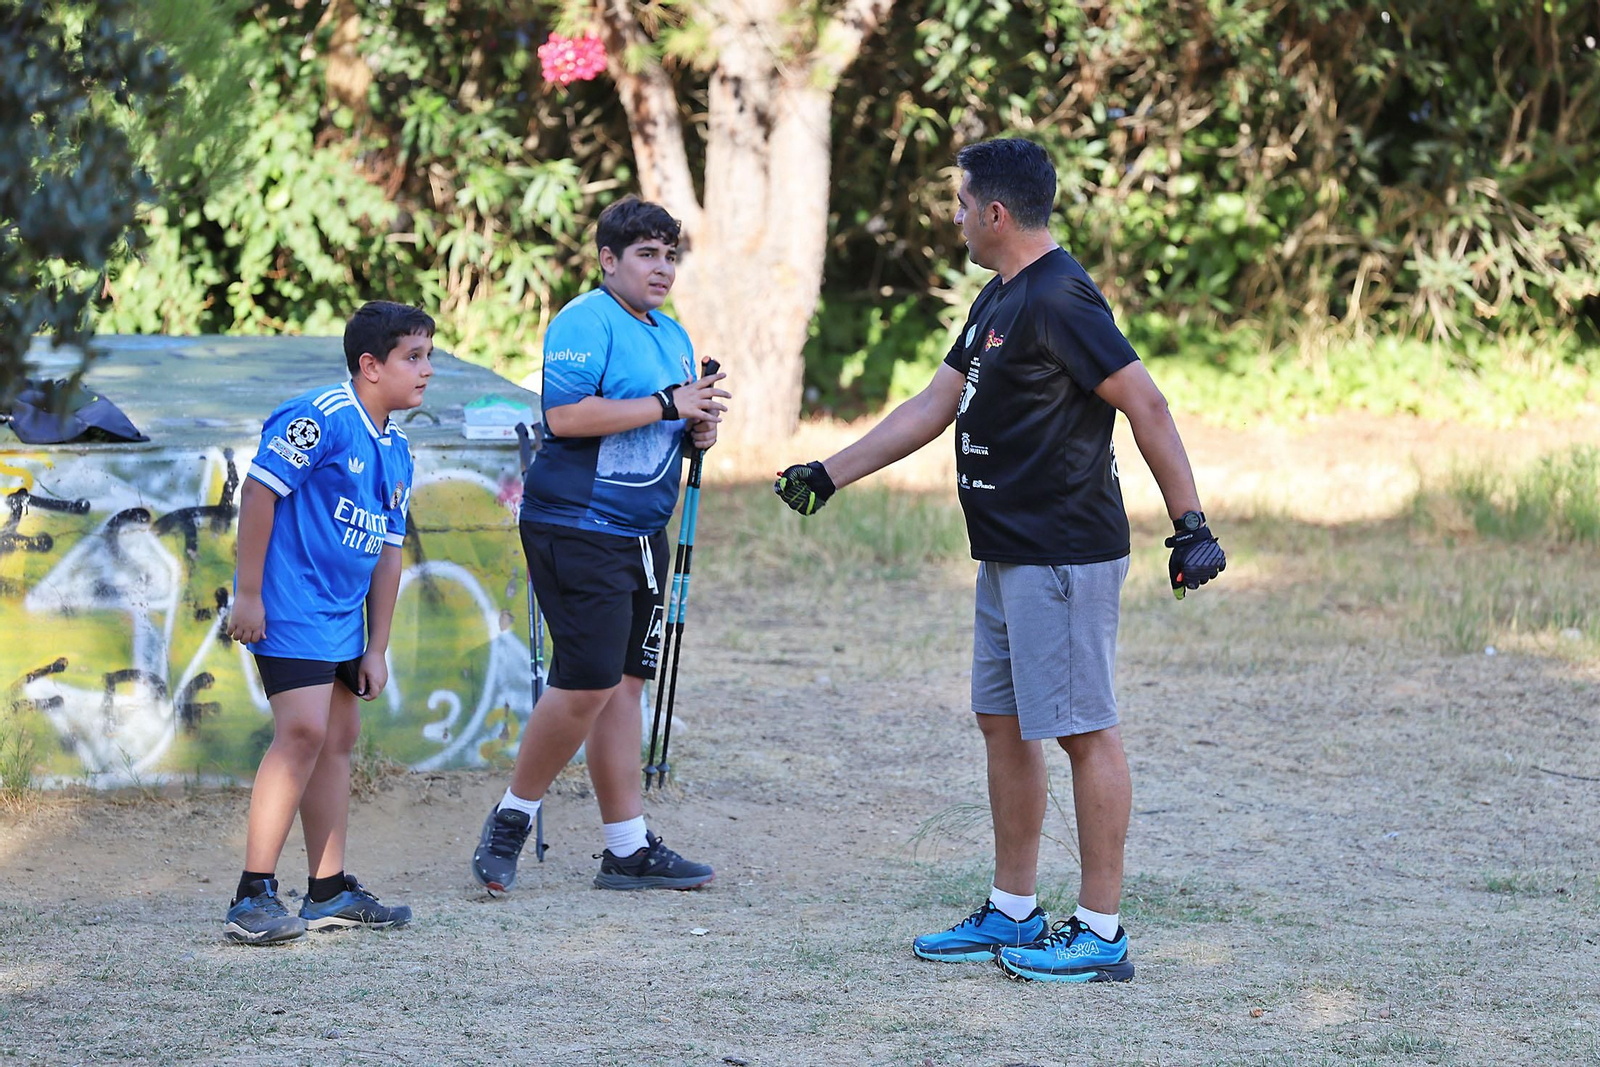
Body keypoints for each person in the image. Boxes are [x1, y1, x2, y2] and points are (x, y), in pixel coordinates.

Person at [774, 138, 1225, 983]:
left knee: (1085, 731)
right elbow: (937, 403)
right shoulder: (1001, 295)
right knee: (1005, 723)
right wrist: (828, 474)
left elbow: (1147, 403)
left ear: (996, 213)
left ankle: (1100, 930)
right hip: (1008, 554)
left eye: (958, 202)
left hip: (1063, 552)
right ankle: (1013, 911)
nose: (952, 217)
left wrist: (1188, 523)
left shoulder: (1059, 296)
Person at [470, 196, 729, 894]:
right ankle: (510, 819)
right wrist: (669, 405)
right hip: (576, 524)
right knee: (585, 680)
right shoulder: (584, 319)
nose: (662, 267)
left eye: (670, 254)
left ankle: (626, 847)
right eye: (647, 253)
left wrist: (697, 425)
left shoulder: (671, 332)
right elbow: (565, 415)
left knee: (625, 686)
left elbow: (669, 416)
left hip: (644, 531)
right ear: (608, 259)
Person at [222, 300, 435, 944]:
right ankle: (252, 895)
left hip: (345, 619)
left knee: (339, 740)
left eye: (431, 357)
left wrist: (377, 646)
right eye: (414, 358)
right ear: (370, 366)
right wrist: (249, 595)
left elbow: (389, 552)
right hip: (290, 606)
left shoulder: (396, 449)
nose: (427, 371)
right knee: (304, 733)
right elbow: (258, 493)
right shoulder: (321, 418)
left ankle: (329, 889)